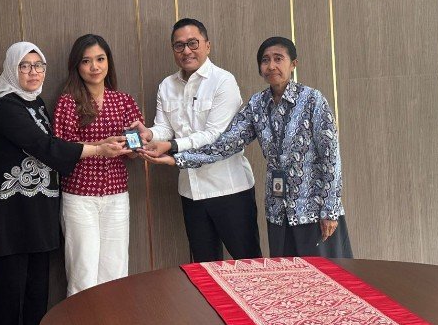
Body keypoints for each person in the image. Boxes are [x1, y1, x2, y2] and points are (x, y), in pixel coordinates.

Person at [0, 42, 129, 325]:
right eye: (25, 66)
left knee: (36, 286)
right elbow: (44, 147)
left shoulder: (37, 104)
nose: (33, 73)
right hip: (9, 210)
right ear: (11, 69)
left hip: (39, 208)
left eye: (39, 66)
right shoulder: (5, 106)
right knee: (9, 287)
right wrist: (98, 149)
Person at [141, 37, 352, 258]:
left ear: (293, 64)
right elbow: (225, 145)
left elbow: (331, 158)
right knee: (285, 273)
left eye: (278, 59)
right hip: (278, 209)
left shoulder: (313, 100)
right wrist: (177, 158)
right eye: (265, 60)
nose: (271, 66)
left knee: (322, 274)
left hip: (313, 208)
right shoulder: (257, 104)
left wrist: (330, 210)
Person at [132, 18, 263, 262]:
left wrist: (172, 146)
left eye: (193, 43)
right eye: (179, 45)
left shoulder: (223, 81)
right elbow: (164, 128)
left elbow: (215, 136)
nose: (186, 51)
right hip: (191, 191)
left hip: (229, 189)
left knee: (249, 264)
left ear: (207, 45)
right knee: (204, 267)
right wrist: (149, 134)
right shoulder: (167, 85)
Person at [52, 34, 143, 295]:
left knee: (116, 271)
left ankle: (113, 322)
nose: (95, 67)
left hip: (116, 195)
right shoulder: (68, 102)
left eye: (100, 59)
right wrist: (99, 147)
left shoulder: (124, 100)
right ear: (77, 66)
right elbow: (60, 149)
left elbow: (135, 148)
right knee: (83, 272)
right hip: (80, 196)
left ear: (108, 62)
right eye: (86, 61)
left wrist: (135, 147)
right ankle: (82, 323)